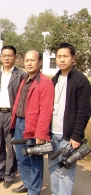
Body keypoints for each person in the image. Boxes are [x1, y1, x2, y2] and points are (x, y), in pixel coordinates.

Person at [48, 43, 91, 195]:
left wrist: (77, 135)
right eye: (59, 56)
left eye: (65, 56)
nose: (62, 60)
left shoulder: (81, 81)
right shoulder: (54, 80)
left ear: (73, 58)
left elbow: (84, 111)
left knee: (66, 171)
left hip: (69, 136)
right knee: (53, 167)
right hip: (52, 134)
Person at [10, 50, 54, 195]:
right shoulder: (25, 79)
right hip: (20, 123)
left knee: (34, 158)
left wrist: (41, 133)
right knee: (21, 157)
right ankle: (27, 184)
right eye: (27, 60)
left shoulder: (45, 83)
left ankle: (34, 191)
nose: (29, 63)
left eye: (32, 60)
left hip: (33, 126)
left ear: (39, 62)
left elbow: (46, 110)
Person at [0, 46, 25, 188]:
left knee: (11, 146)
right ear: (0, 57)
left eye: (10, 55)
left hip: (12, 114)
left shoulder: (21, 75)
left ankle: (9, 175)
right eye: (4, 55)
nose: (6, 58)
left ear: (15, 57)